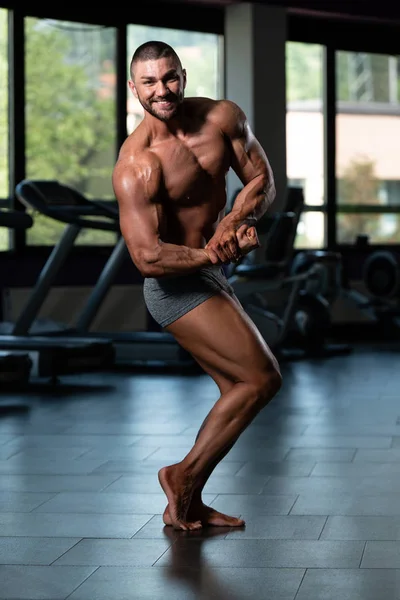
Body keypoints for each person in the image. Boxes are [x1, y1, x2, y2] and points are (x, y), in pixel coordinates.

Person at [112, 41, 282, 531]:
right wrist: (213, 251)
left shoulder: (223, 118)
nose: (161, 90)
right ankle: (181, 476)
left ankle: (188, 499)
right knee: (261, 378)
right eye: (149, 82)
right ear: (134, 89)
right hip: (174, 286)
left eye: (169, 78)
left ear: (182, 76)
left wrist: (235, 219)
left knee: (238, 386)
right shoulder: (137, 164)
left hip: (209, 273)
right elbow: (147, 257)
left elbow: (262, 179)